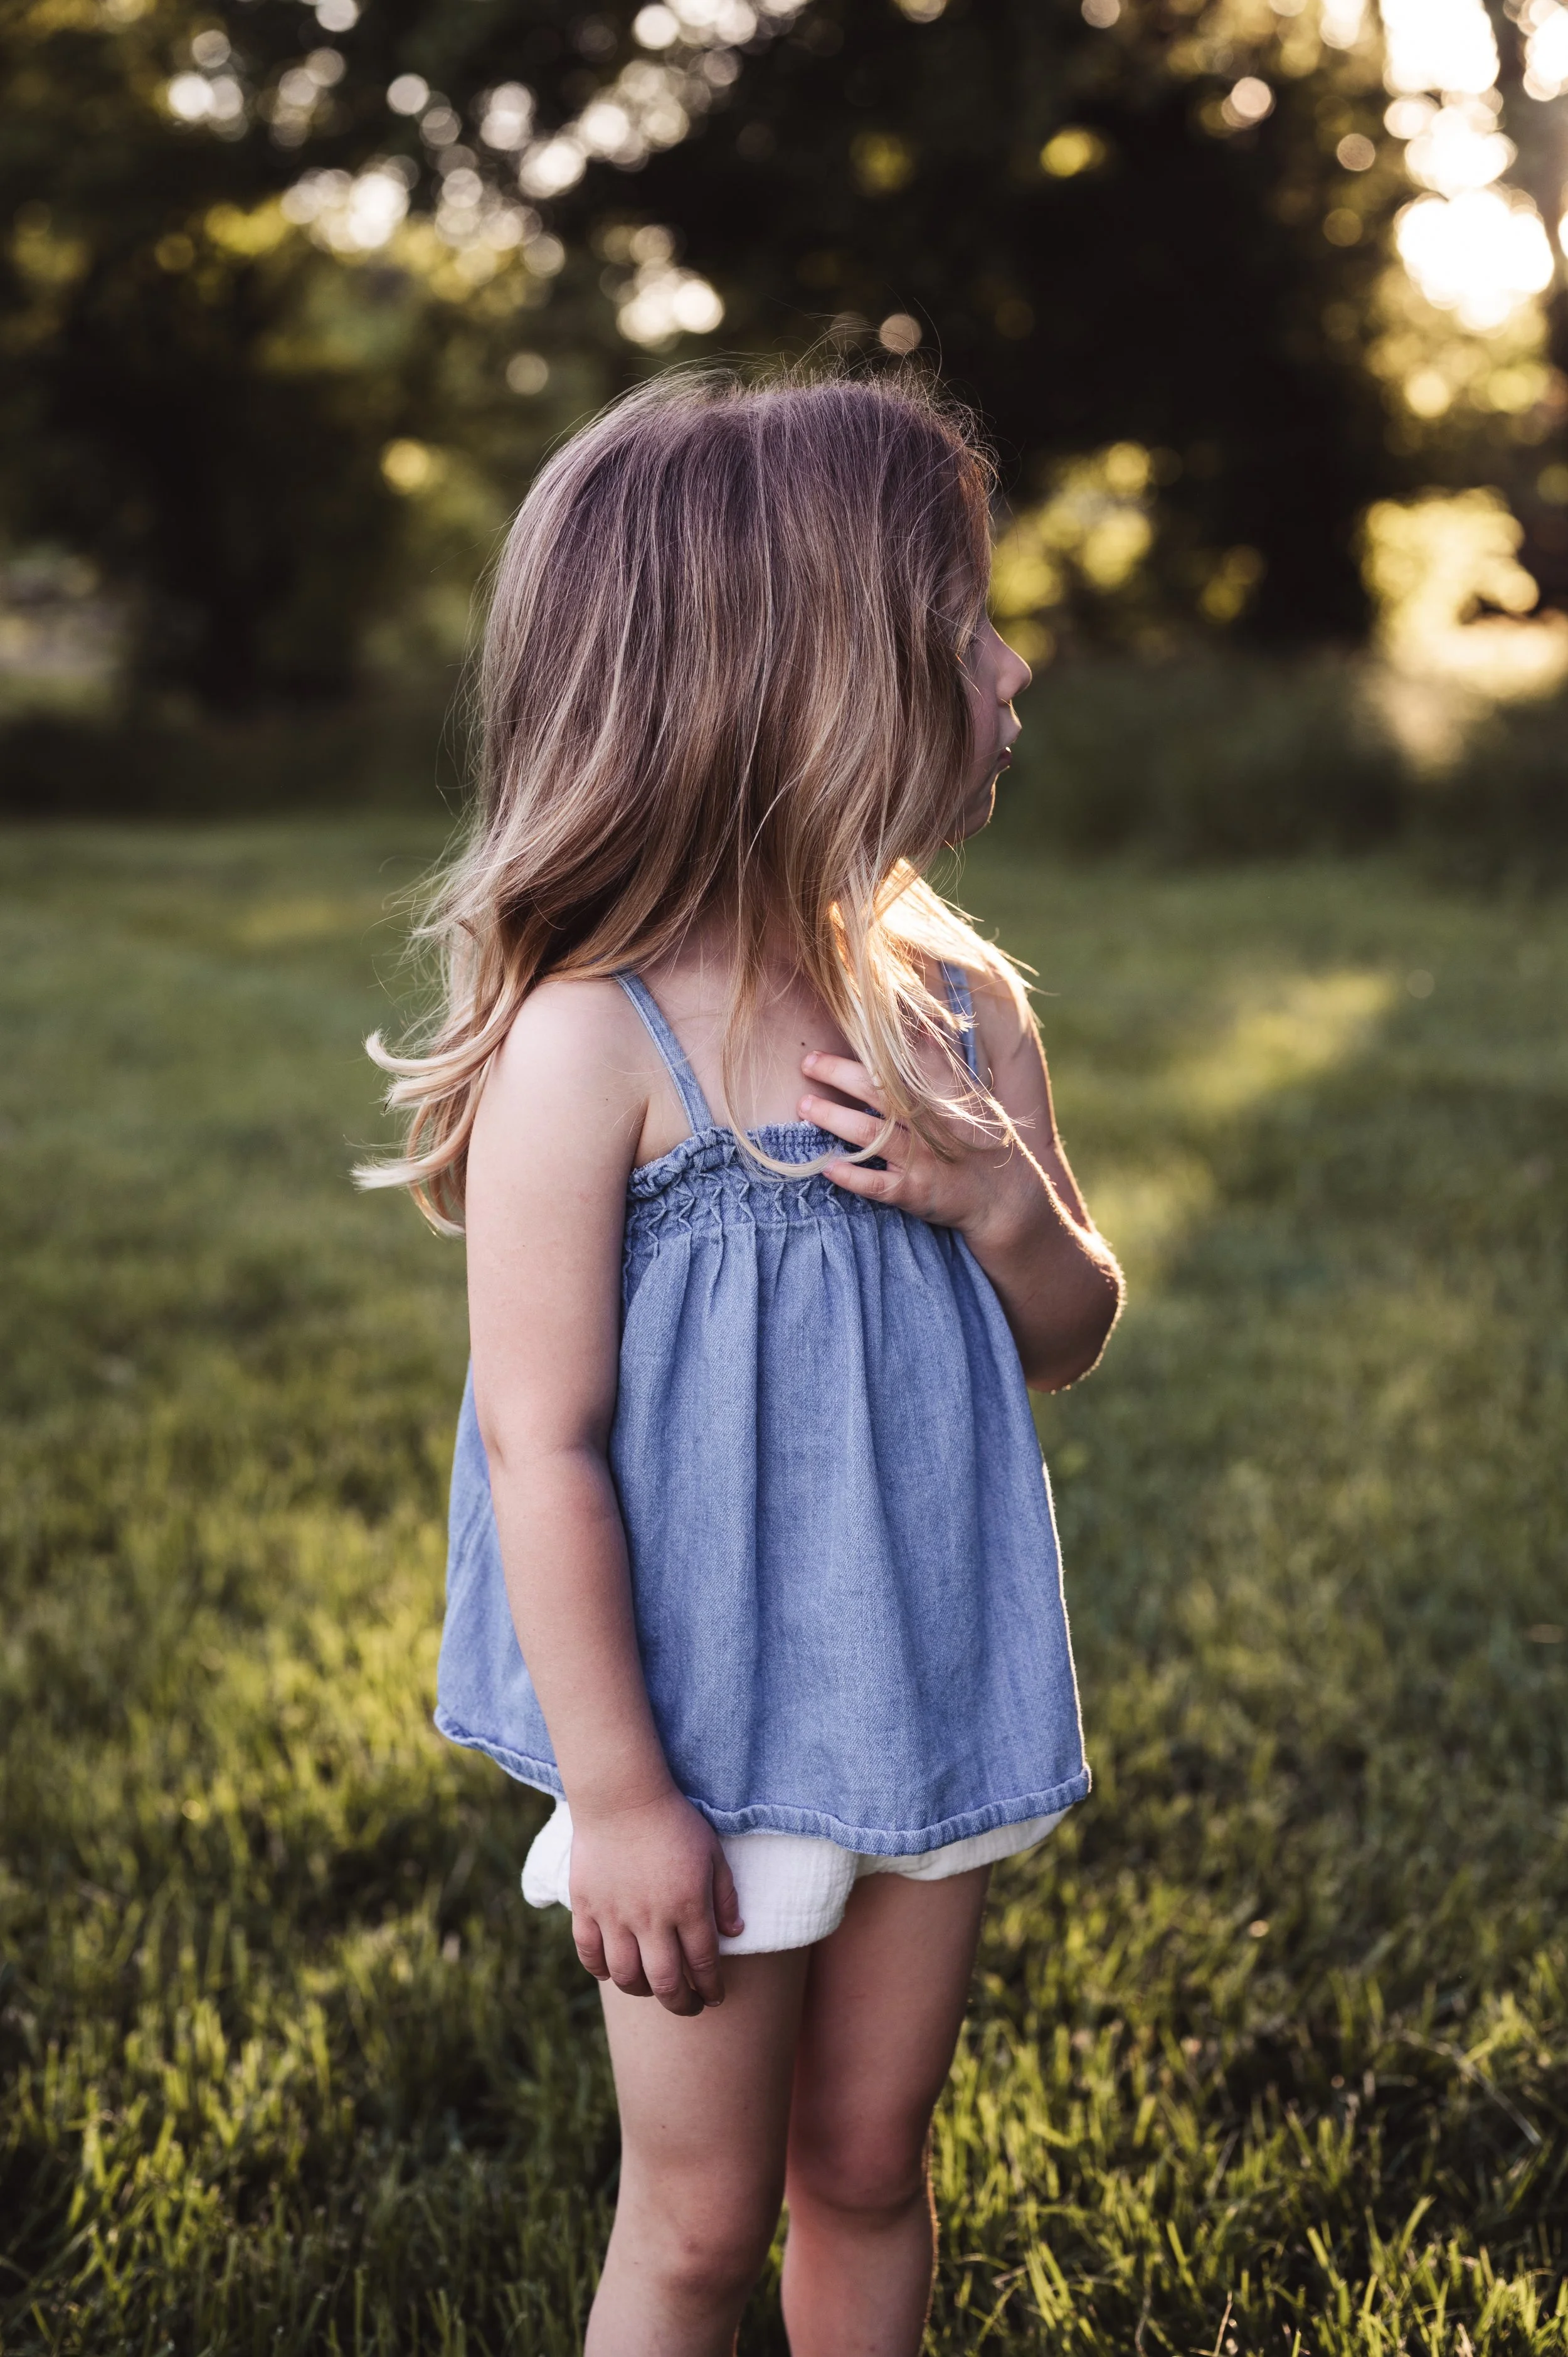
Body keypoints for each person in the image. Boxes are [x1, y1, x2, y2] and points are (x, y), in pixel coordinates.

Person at [361, 367, 1123, 2356]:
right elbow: (539, 1441)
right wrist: (618, 1799)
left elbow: (1070, 1334)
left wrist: (997, 1203)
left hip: (925, 1685)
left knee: (869, 2160)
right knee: (698, 2226)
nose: (1014, 658)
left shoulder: (954, 1009)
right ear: (809, 679)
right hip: (697, 1738)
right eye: (965, 623)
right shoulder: (591, 1045)